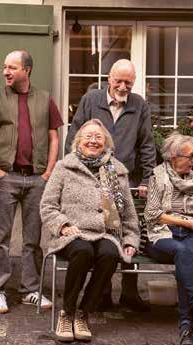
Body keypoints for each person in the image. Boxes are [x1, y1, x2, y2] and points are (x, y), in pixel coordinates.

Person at [65, 59, 156, 312]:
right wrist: (74, 171)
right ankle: (102, 293)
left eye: (129, 82)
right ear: (109, 79)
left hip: (125, 179)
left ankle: (129, 292)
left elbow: (147, 144)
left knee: (127, 231)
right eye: (119, 81)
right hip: (93, 177)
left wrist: (146, 179)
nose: (123, 87)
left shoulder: (139, 105)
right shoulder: (91, 100)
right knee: (101, 231)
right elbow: (74, 136)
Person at [0, 50, 63, 314]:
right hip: (6, 177)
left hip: (36, 178)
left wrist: (48, 173)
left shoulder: (45, 99)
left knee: (32, 239)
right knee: (0, 239)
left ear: (27, 70)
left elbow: (54, 137)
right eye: (4, 67)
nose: (6, 72)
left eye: (12, 67)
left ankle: (31, 290)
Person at [41, 119, 140, 342]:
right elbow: (48, 205)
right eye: (88, 137)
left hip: (106, 233)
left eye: (98, 137)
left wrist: (130, 240)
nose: (93, 141)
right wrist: (63, 225)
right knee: (83, 251)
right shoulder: (64, 167)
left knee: (110, 255)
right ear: (78, 141)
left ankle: (83, 313)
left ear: (106, 143)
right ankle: (67, 312)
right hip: (72, 233)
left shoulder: (116, 171)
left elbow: (129, 213)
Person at [144, 132, 193, 345]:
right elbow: (153, 214)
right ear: (173, 157)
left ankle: (188, 329)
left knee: (186, 257)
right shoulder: (157, 176)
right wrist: (188, 222)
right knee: (184, 253)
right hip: (162, 236)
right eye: (190, 156)